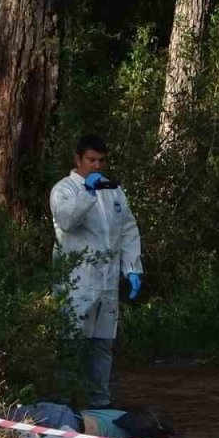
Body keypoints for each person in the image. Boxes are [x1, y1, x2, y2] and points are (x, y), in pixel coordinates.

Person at [50, 134, 143, 408]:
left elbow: (127, 229)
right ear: (77, 159)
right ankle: (66, 404)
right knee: (71, 345)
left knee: (102, 346)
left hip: (107, 282)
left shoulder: (113, 190)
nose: (97, 166)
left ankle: (100, 404)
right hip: (76, 283)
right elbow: (66, 221)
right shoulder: (64, 190)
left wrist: (132, 268)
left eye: (101, 160)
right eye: (91, 160)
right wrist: (87, 194)